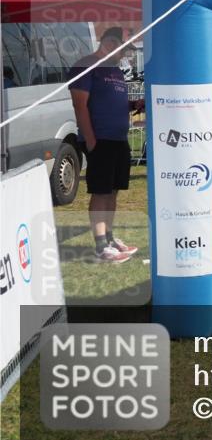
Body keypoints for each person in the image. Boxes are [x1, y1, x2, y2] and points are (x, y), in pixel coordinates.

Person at [69, 27, 141, 263]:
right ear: (110, 43)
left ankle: (109, 238)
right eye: (124, 49)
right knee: (101, 191)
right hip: (101, 140)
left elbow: (111, 100)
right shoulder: (85, 66)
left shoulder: (115, 70)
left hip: (119, 139)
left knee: (113, 190)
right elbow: (80, 105)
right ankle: (101, 245)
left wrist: (134, 105)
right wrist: (91, 141)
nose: (126, 54)